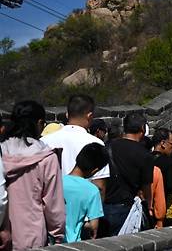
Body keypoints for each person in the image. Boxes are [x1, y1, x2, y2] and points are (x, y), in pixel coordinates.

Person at [1, 101, 65, 249]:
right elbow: (53, 205)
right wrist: (57, 234)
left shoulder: (2, 152)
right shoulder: (46, 157)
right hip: (31, 235)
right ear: (40, 123)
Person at [41, 95, 110, 200]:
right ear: (90, 116)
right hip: (83, 207)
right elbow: (99, 186)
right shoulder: (95, 143)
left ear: (67, 115)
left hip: (50, 206)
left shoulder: (44, 141)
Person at [103, 113, 154, 236]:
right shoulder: (144, 154)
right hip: (127, 207)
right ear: (143, 128)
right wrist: (149, 207)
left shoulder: (108, 146)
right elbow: (147, 186)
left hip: (104, 206)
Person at [63, 143, 109, 242]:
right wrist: (78, 223)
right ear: (95, 170)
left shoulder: (56, 182)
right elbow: (93, 226)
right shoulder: (92, 191)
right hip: (73, 243)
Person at [151, 128, 172, 227]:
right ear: (163, 143)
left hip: (148, 209)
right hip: (165, 210)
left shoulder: (145, 158)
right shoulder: (169, 162)